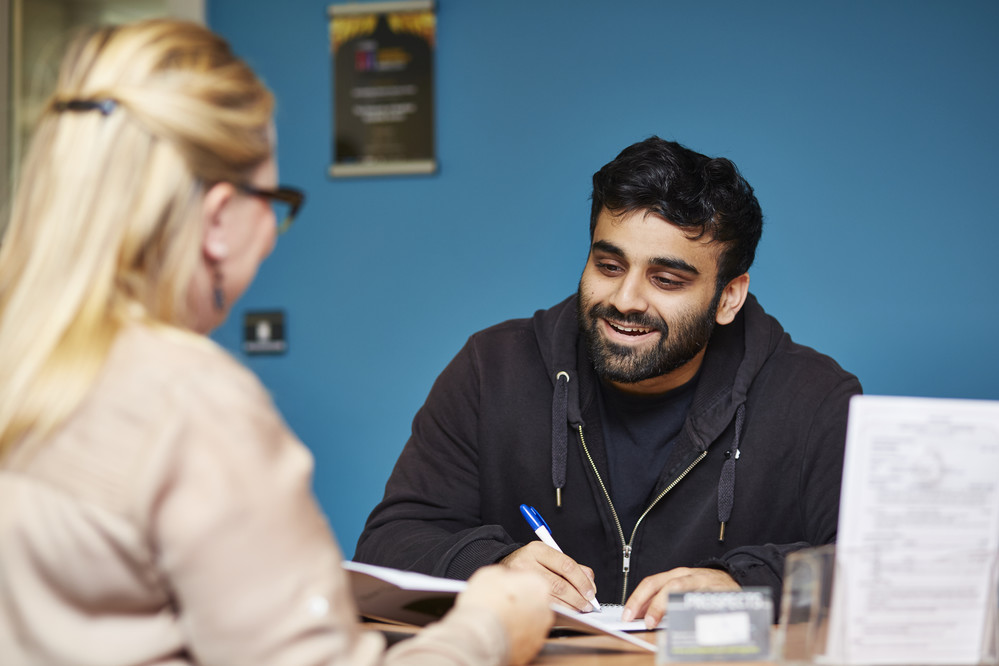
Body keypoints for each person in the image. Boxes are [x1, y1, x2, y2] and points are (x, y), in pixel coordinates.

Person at [0, 19, 552, 666]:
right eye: (275, 200)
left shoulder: (25, 371)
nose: (271, 232)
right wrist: (490, 627)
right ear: (216, 222)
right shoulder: (189, 404)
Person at [354, 136, 863, 629]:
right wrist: (493, 565)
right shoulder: (491, 369)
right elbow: (389, 541)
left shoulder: (817, 399)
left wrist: (743, 584)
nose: (626, 299)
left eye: (666, 280)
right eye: (609, 265)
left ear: (729, 297)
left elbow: (871, 570)